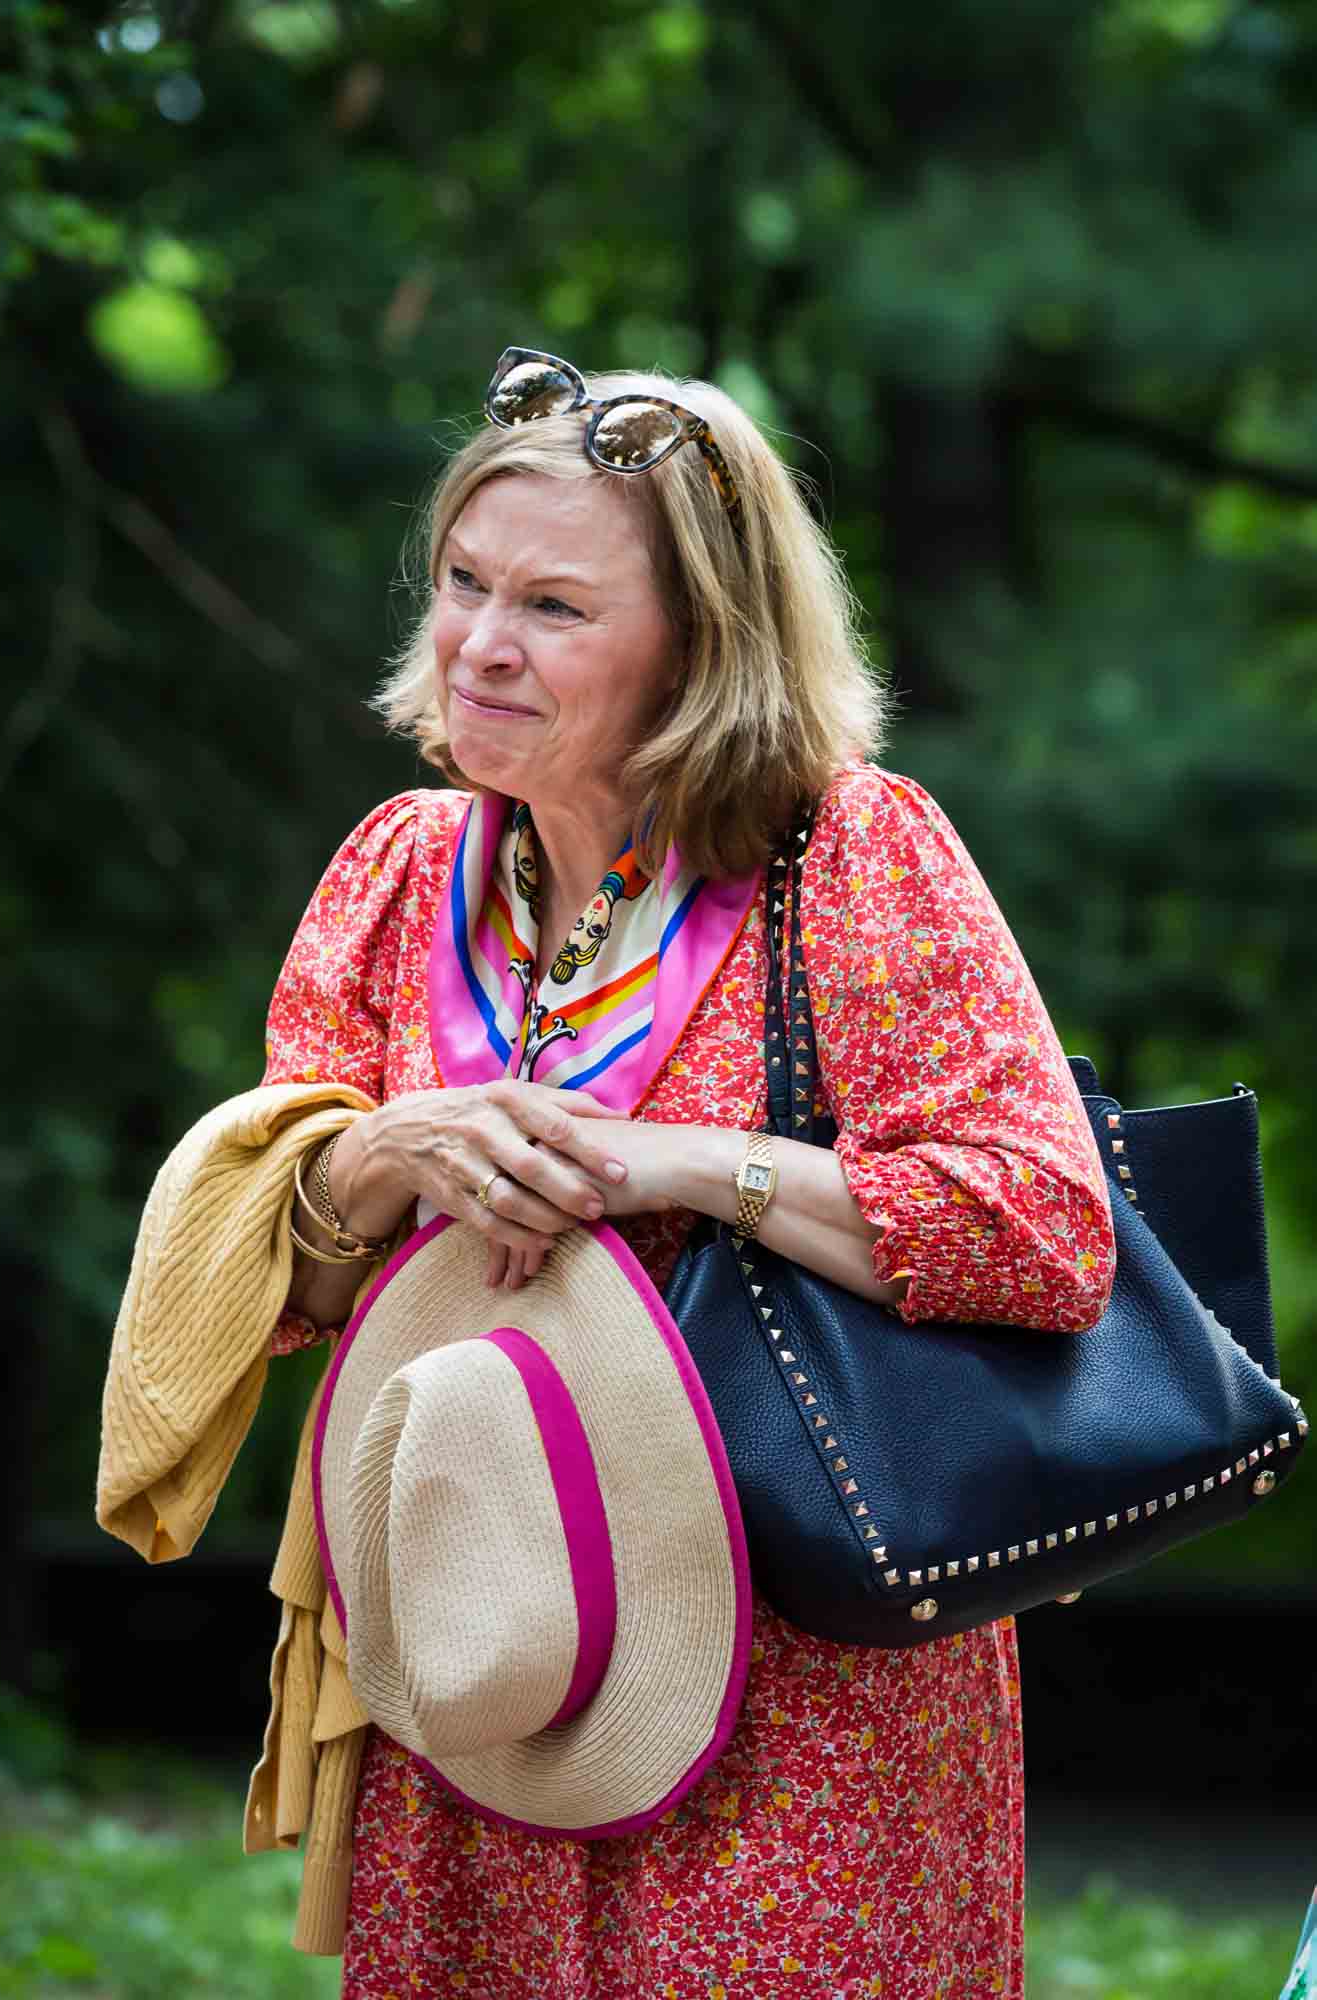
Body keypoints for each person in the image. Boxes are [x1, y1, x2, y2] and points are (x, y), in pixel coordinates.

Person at [102, 345, 1116, 1998]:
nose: (481, 645)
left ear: (700, 645)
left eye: (556, 609)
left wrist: (696, 1162)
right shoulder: (398, 870)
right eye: (462, 584)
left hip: (804, 1694)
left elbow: (1041, 1232)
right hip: (484, 1648)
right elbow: (279, 1300)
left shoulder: (848, 854)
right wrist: (375, 1155)